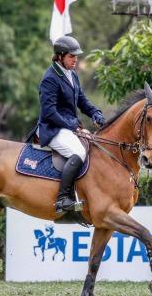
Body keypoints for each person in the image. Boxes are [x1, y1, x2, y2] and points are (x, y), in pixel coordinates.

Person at [37, 36, 105, 214]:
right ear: (60, 56)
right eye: (71, 56)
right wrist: (72, 125)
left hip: (68, 126)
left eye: (76, 56)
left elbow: (82, 100)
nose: (75, 59)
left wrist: (95, 113)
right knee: (79, 152)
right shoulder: (50, 79)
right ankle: (63, 199)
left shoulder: (72, 74)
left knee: (93, 147)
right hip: (53, 128)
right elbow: (49, 113)